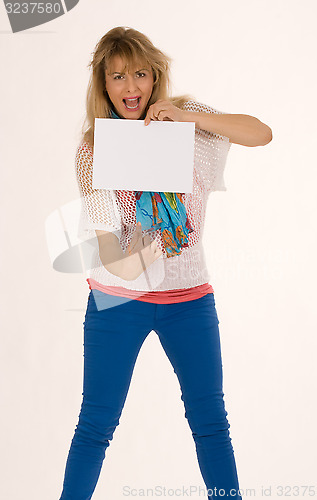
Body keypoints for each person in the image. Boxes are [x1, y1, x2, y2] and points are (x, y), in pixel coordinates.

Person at [59, 26, 272, 500]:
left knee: (210, 422)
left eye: (139, 73)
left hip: (189, 299)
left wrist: (186, 118)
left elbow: (261, 133)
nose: (130, 87)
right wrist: (159, 246)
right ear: (103, 84)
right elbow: (113, 257)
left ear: (155, 76)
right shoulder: (93, 152)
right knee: (96, 424)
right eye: (117, 77)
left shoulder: (188, 121)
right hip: (117, 300)